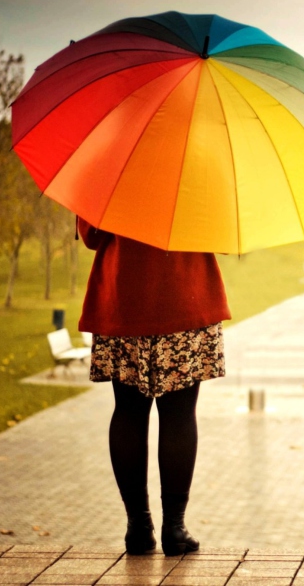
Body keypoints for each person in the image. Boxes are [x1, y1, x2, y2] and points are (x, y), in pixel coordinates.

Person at [77, 218, 231, 555]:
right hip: (183, 295)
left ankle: (138, 525)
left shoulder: (108, 167)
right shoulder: (198, 166)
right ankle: (174, 528)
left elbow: (90, 235)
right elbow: (223, 231)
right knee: (179, 415)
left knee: (129, 411)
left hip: (125, 298)